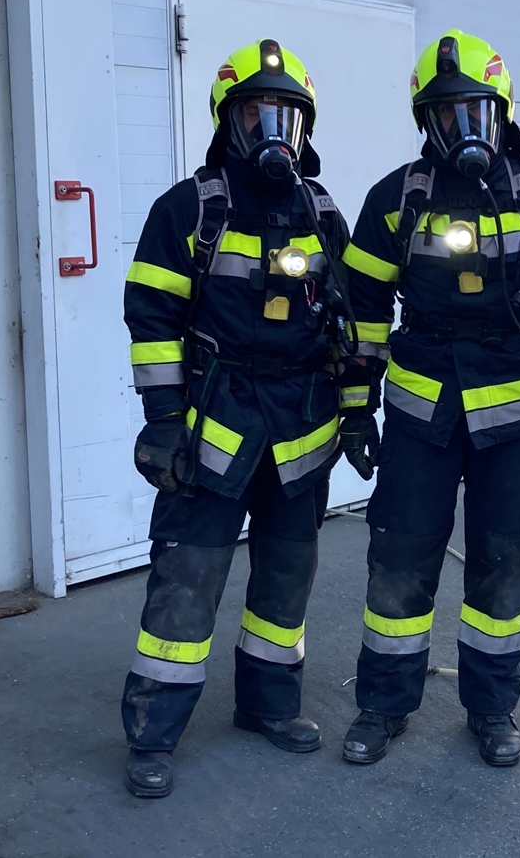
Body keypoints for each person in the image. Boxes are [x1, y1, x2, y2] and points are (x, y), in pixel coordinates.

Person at [335, 30, 520, 767]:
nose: (464, 127)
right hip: (422, 416)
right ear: (426, 122)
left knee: (502, 563)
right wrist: (356, 407)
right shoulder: (396, 198)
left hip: (514, 423)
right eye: (447, 113)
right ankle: (382, 705)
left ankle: (492, 709)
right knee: (399, 558)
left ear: (503, 113)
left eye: (477, 111)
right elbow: (361, 312)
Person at [120, 40, 352, 798]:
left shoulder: (322, 212)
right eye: (257, 112)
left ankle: (268, 706)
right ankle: (152, 735)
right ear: (229, 120)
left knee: (286, 580)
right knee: (186, 583)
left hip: (300, 431)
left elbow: (350, 321)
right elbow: (151, 319)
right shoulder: (189, 208)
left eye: (287, 113)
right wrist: (162, 420)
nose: (272, 128)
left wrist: (355, 412)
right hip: (210, 433)